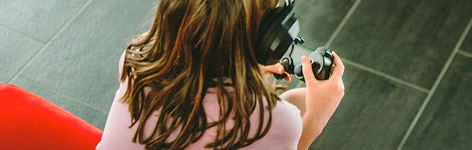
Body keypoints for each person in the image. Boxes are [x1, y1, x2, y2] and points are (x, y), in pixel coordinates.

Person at [97, 0, 345, 149]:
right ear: (263, 38)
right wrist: (316, 119)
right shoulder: (269, 122)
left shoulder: (136, 57)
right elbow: (276, 126)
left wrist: (242, 68)